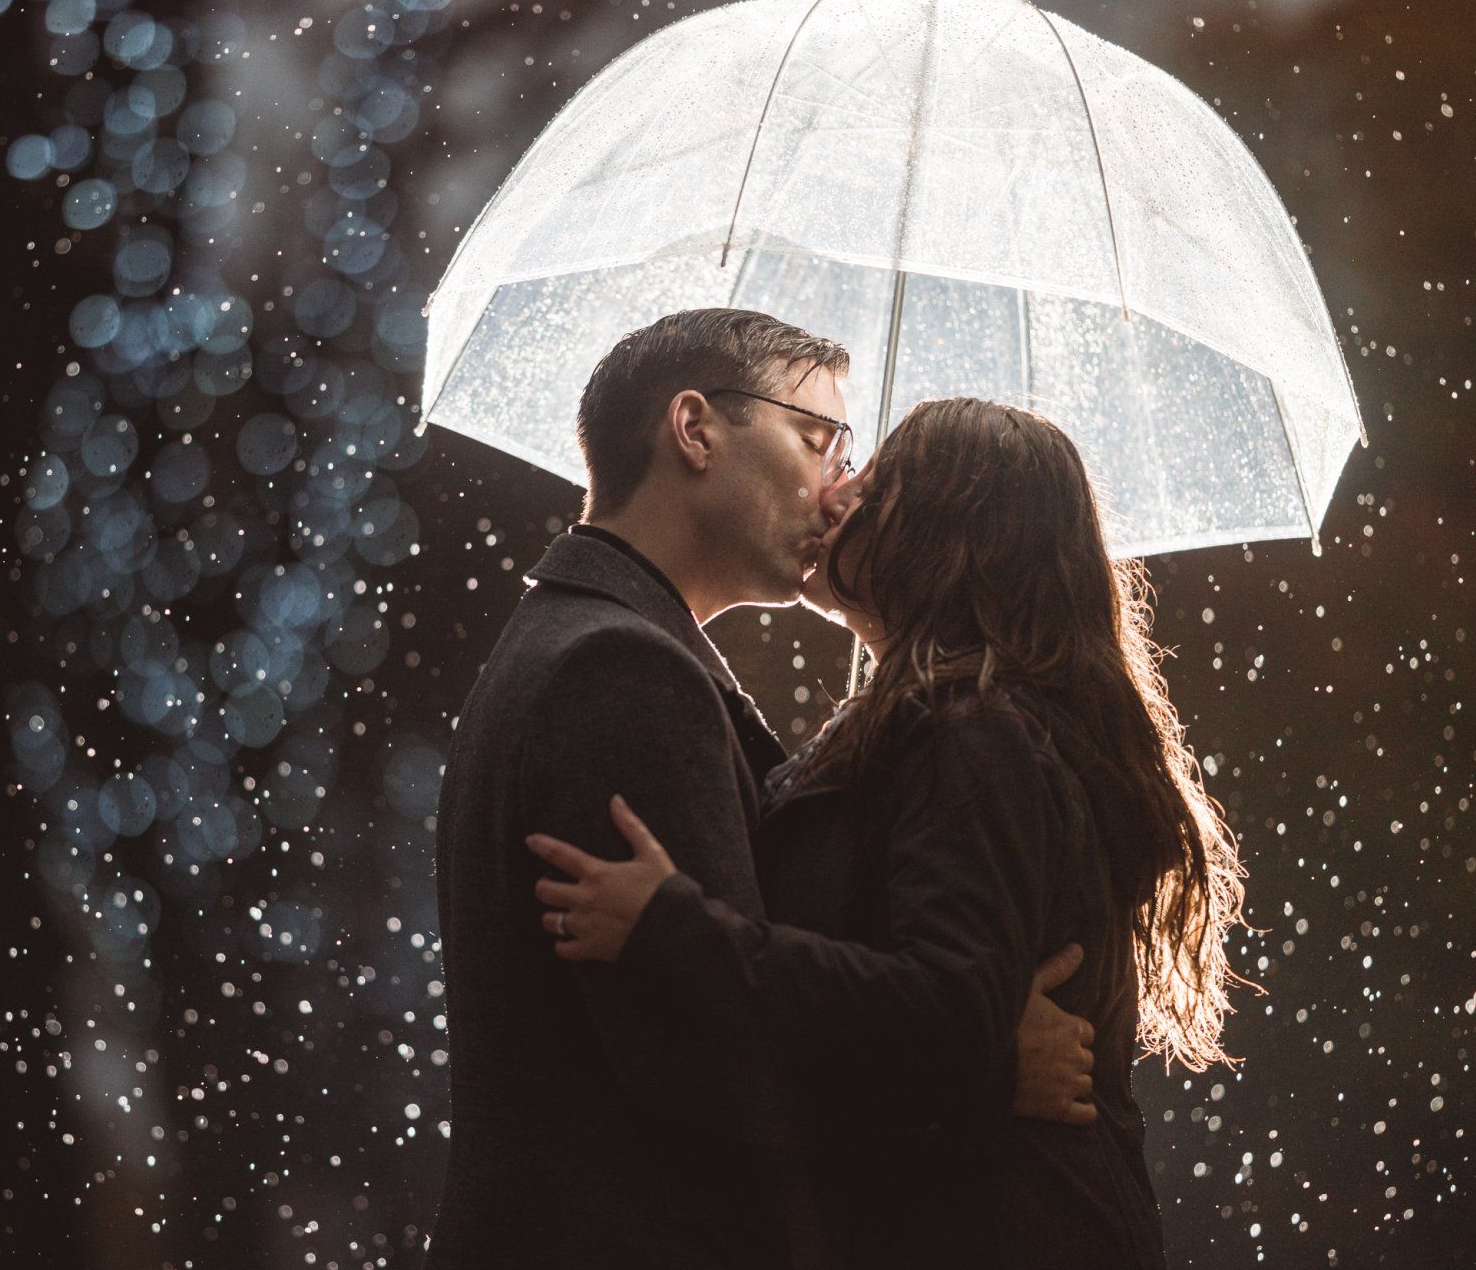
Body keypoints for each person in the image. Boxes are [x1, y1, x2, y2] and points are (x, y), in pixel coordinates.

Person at [429, 313, 1098, 1270]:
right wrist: (982, 1069)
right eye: (816, 438)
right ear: (694, 431)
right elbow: (701, 1061)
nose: (837, 485)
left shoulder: (595, 641)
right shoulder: (618, 668)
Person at [528, 397, 1248, 1269]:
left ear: (948, 530)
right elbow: (940, 997)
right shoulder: (937, 722)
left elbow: (944, 1006)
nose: (833, 495)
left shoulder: (973, 730)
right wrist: (987, 1051)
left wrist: (673, 928)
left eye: (873, 484)